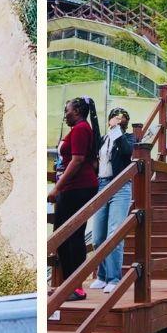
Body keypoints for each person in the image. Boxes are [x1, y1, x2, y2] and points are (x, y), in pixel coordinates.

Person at [48, 96, 101, 301]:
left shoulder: (80, 129)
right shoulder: (79, 128)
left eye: (67, 110)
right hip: (73, 188)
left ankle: (76, 287)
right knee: (63, 236)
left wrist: (57, 188)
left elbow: (78, 160)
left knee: (72, 235)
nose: (65, 114)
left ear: (77, 111)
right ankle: (68, 284)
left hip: (78, 188)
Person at [89, 107, 135, 294]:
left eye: (121, 117)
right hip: (102, 185)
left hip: (120, 187)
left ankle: (114, 278)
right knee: (98, 236)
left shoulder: (128, 138)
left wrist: (117, 131)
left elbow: (127, 152)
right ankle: (102, 275)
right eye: (114, 117)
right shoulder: (103, 140)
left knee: (114, 234)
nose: (117, 119)